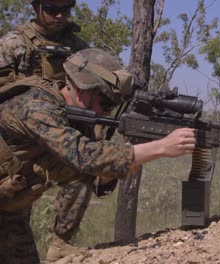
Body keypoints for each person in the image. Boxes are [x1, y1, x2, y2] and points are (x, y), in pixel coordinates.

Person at [0, 47, 196, 264]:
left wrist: (110, 173)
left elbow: (89, 171)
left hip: (9, 207)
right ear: (83, 89)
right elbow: (84, 155)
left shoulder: (75, 119)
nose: (106, 112)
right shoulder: (35, 105)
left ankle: (60, 244)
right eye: (106, 103)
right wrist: (161, 148)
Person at [0, 0, 99, 261]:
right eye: (52, 8)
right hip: (15, 150)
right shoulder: (13, 43)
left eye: (65, 10)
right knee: (13, 221)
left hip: (55, 144)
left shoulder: (76, 47)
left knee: (84, 169)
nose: (59, 16)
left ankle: (61, 243)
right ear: (36, 7)